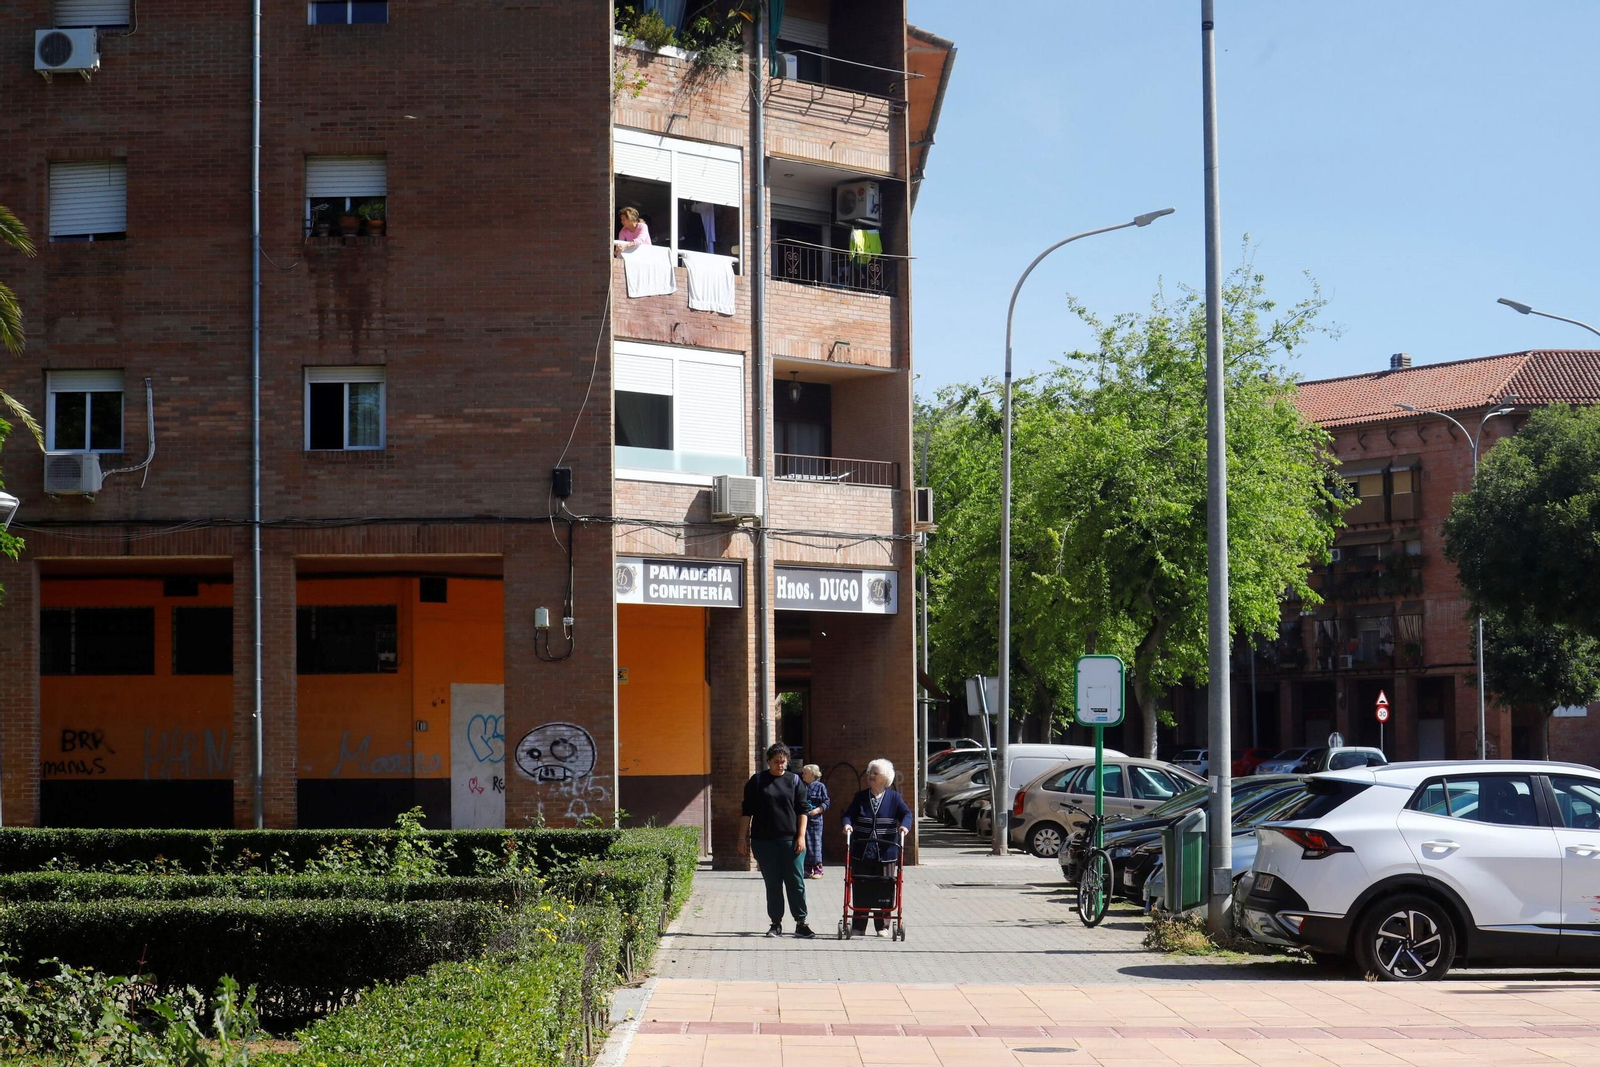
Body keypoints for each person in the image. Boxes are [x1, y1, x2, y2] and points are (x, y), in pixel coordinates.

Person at [738, 743, 815, 938]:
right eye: (776, 762)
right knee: (773, 883)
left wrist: (800, 836)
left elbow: (802, 810)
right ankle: (775, 924)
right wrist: (742, 837)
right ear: (768, 762)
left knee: (796, 881)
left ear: (787, 761)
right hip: (764, 841)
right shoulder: (757, 781)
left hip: (791, 841)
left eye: (783, 762)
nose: (780, 766)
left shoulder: (795, 781)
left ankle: (801, 922)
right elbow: (747, 812)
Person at [840, 758, 912, 936]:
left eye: (875, 773)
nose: (870, 776)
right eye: (869, 772)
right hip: (862, 850)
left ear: (885, 777)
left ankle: (883, 926)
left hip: (886, 851)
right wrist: (847, 824)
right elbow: (848, 815)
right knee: (861, 886)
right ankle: (858, 926)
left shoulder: (894, 798)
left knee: (884, 887)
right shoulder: (861, 797)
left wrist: (904, 826)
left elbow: (906, 814)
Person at [799, 764, 830, 879]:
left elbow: (826, 802)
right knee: (805, 842)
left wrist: (817, 810)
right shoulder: (803, 786)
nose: (803, 775)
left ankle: (818, 869)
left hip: (815, 819)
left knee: (815, 843)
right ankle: (807, 869)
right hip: (804, 819)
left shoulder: (820, 786)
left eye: (805, 772)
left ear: (812, 774)